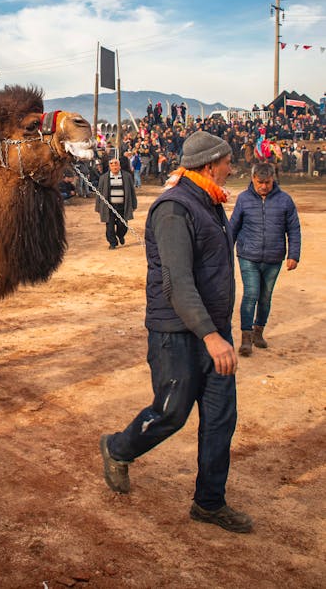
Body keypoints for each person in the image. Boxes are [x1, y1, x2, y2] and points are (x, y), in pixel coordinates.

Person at [99, 131, 253, 533]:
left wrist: (219, 331)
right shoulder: (174, 209)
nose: (231, 169)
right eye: (226, 162)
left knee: (221, 419)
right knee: (171, 412)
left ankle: (209, 502)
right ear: (208, 165)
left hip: (212, 331)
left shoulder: (208, 202)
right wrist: (211, 334)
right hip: (177, 332)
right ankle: (118, 448)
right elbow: (177, 283)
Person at [230, 163, 301, 356]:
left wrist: (293, 255)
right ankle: (246, 337)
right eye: (260, 182)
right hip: (248, 256)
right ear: (253, 179)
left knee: (265, 297)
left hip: (273, 257)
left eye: (267, 183)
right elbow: (233, 227)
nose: (263, 186)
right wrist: (225, 251)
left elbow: (293, 229)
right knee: (251, 294)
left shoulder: (285, 200)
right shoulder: (243, 199)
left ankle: (258, 331)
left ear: (273, 180)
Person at [95, 157, 137, 249]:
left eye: (116, 164)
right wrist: (98, 207)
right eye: (112, 164)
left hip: (122, 206)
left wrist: (134, 204)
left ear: (119, 166)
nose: (114, 166)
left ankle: (120, 235)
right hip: (109, 207)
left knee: (123, 226)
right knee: (109, 227)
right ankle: (112, 243)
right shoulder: (103, 178)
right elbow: (99, 193)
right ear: (109, 166)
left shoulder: (127, 176)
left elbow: (132, 191)